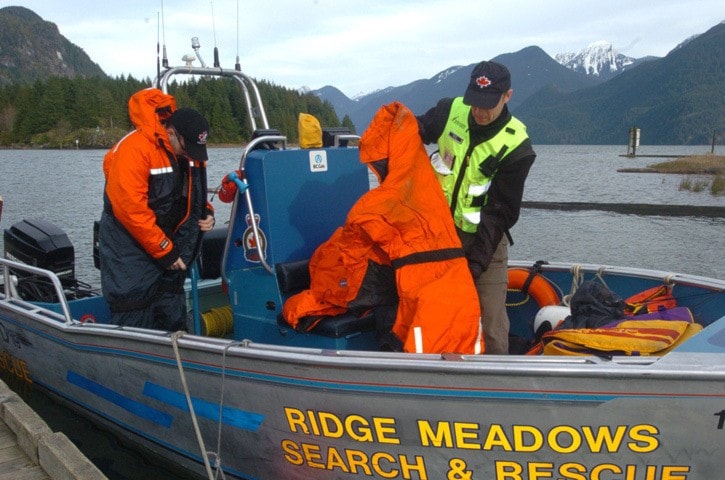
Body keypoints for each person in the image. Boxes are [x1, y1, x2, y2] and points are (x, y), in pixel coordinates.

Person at [416, 60, 536, 354]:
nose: (480, 112)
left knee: (493, 325)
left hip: (486, 243)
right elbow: (413, 131)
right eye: (475, 103)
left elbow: (500, 215)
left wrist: (473, 266)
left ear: (508, 96)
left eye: (488, 105)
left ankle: (498, 386)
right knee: (431, 314)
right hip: (438, 237)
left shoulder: (517, 146)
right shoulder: (449, 111)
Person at [99, 88, 215, 330]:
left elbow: (191, 192)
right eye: (187, 147)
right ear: (171, 133)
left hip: (167, 247)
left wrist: (207, 213)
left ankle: (177, 361)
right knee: (133, 310)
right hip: (129, 247)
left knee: (171, 309)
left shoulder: (187, 151)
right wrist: (164, 250)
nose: (189, 154)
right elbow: (129, 209)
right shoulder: (135, 149)